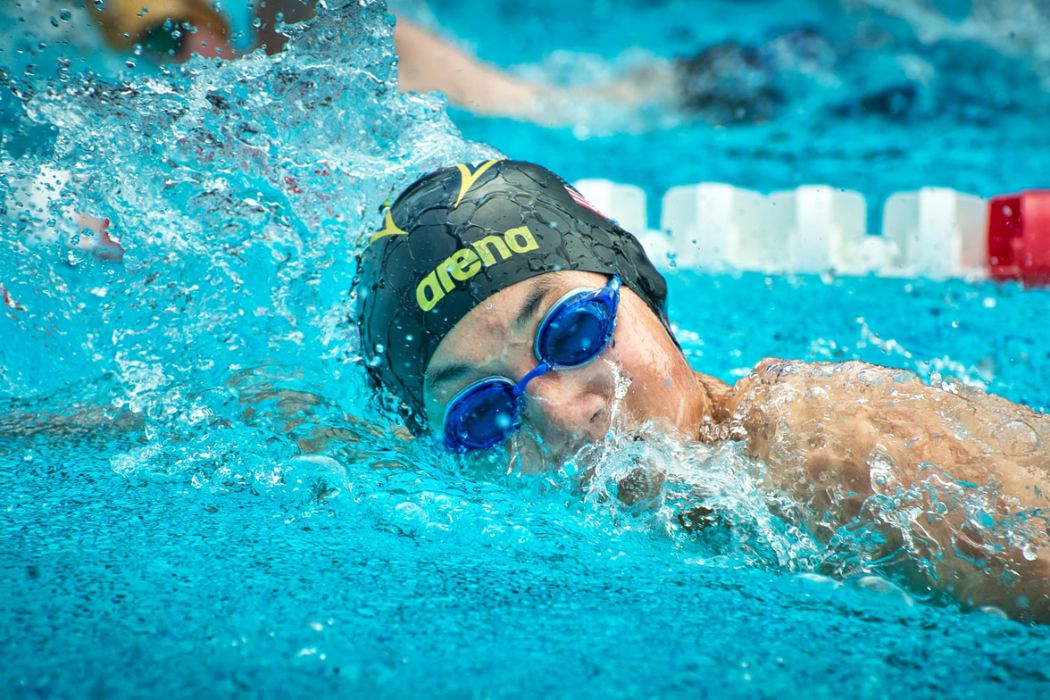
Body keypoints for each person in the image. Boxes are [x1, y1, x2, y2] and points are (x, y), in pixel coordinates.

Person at [352, 159, 1050, 623]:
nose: (562, 415)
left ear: (644, 293)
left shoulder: (837, 459)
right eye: (483, 412)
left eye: (570, 333)